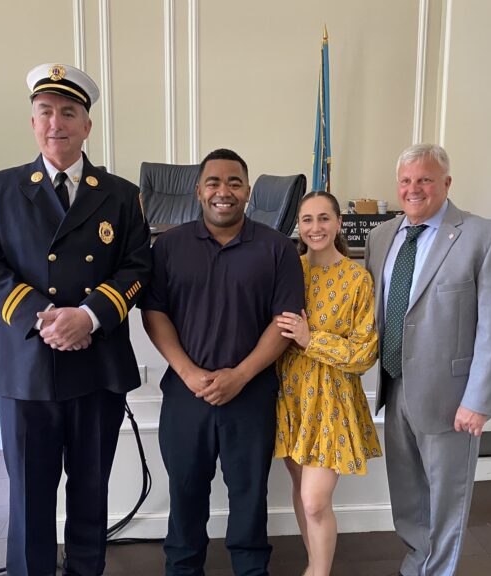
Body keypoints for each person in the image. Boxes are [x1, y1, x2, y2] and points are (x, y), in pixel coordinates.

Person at [0, 63, 152, 576]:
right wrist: (44, 317)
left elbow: (139, 265)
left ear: (87, 126)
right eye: (45, 111)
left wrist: (90, 316)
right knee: (29, 496)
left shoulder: (119, 193)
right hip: (27, 365)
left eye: (69, 112)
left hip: (98, 368)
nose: (56, 123)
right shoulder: (0, 190)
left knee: (91, 492)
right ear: (32, 122)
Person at [140, 148, 305, 576]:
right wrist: (189, 373)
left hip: (251, 397)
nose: (223, 191)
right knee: (186, 493)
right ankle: (182, 568)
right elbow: (154, 313)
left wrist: (241, 375)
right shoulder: (169, 246)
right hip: (185, 395)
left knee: (249, 497)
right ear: (199, 191)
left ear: (248, 192)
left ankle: (251, 570)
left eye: (234, 183)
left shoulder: (277, 248)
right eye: (214, 182)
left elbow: (285, 322)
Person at [364, 143, 491, 576]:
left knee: (447, 500)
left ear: (446, 184)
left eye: (425, 180)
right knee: (409, 496)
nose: (414, 189)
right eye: (406, 181)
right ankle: (417, 563)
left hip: (453, 399)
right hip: (394, 387)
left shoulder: (486, 237)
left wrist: (479, 400)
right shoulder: (382, 236)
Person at [275, 191, 382, 576]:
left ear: (339, 223)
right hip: (290, 397)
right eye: (307, 220)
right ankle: (312, 564)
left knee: (315, 500)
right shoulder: (289, 268)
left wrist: (310, 339)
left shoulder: (357, 278)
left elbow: (364, 353)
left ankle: (319, 573)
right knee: (302, 492)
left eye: (323, 219)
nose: (315, 227)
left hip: (334, 399)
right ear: (298, 226)